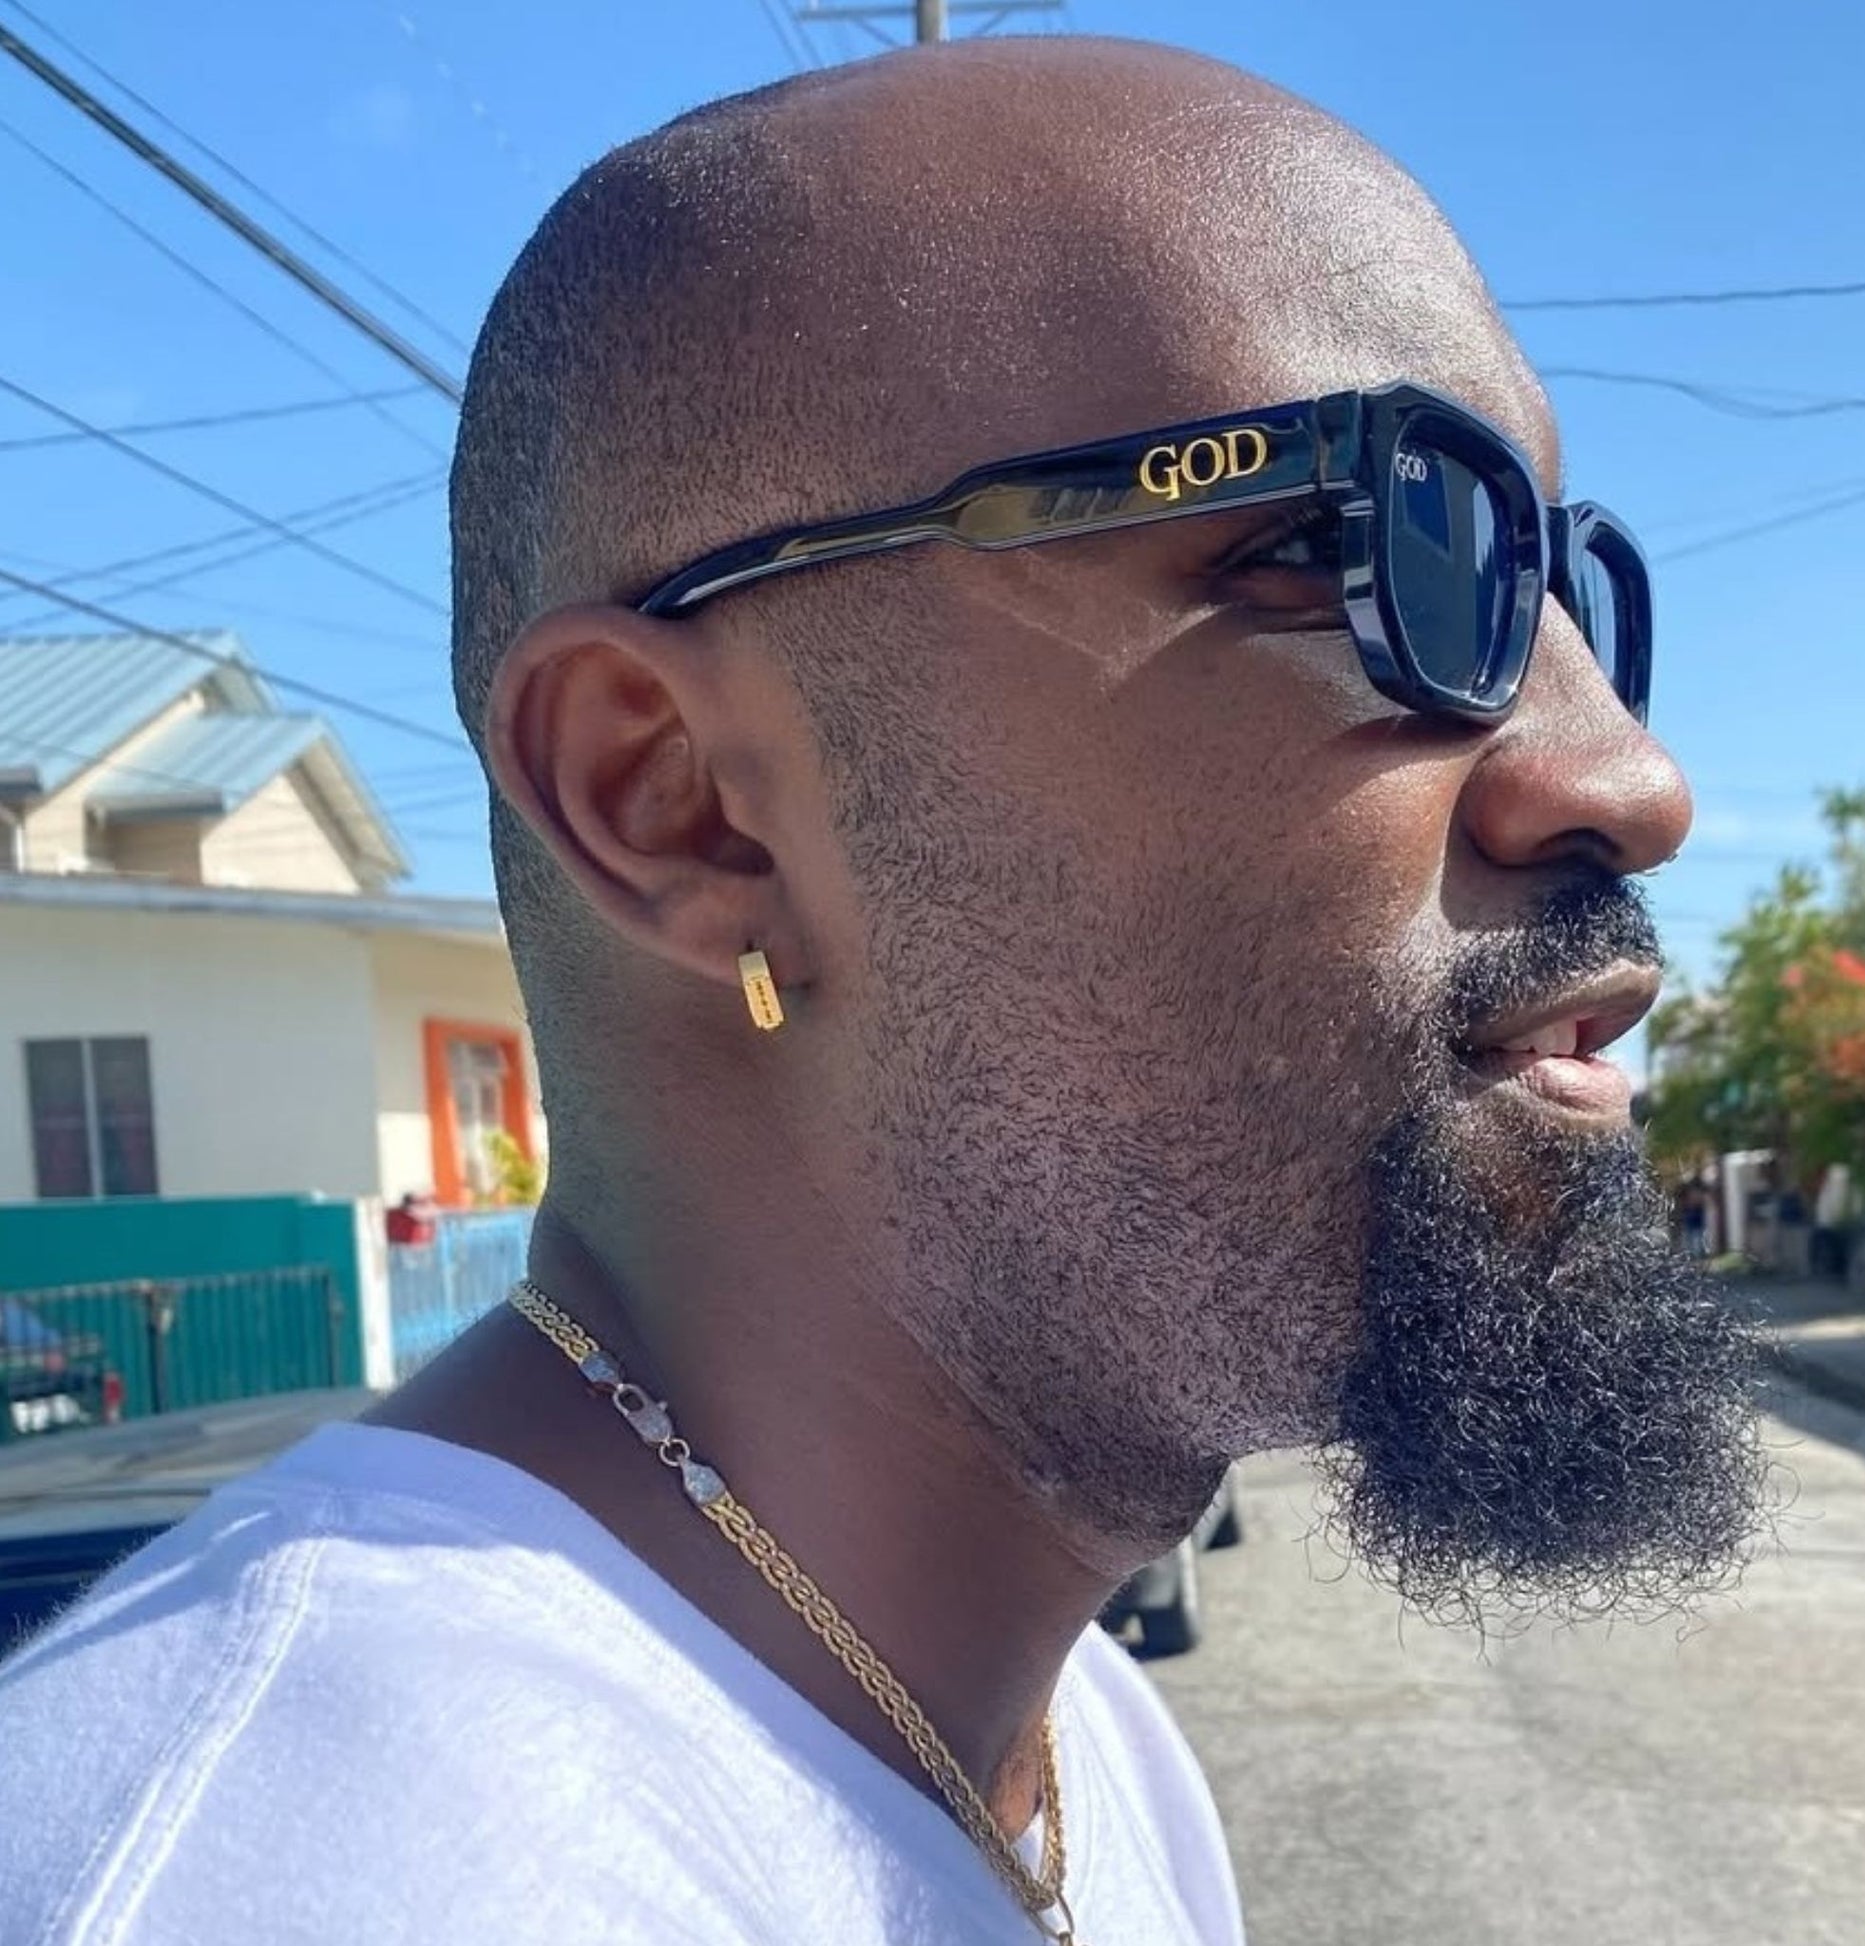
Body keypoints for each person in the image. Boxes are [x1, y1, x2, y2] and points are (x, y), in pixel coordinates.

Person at [0, 37, 1769, 1945]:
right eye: (1362, 544)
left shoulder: (1083, 1738)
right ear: (679, 804)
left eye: (1565, 583)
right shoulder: (313, 1871)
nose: (1625, 779)